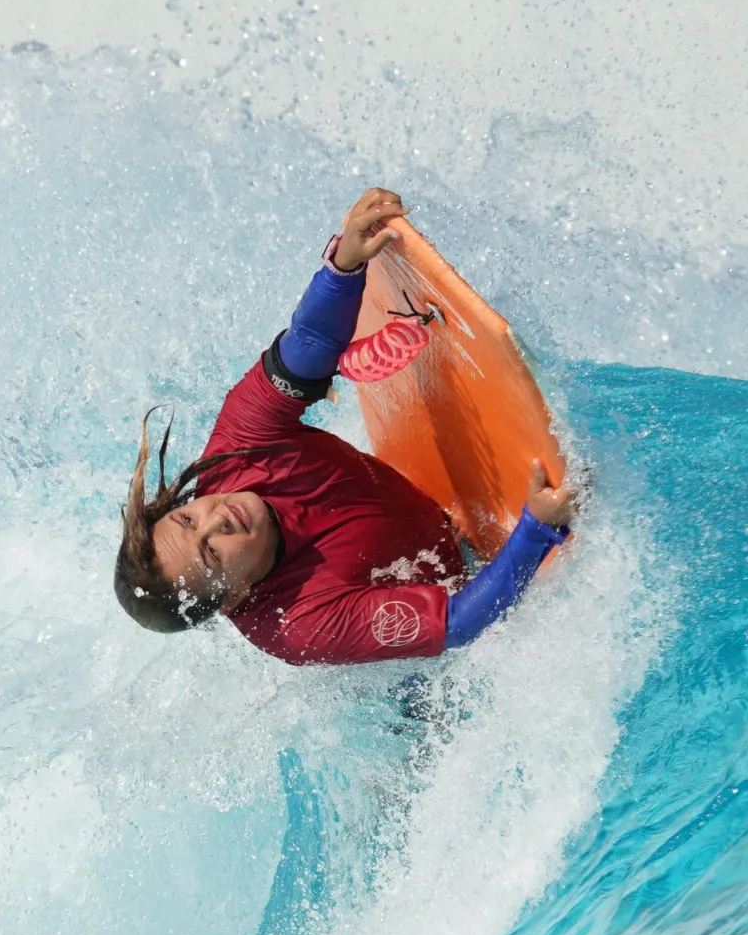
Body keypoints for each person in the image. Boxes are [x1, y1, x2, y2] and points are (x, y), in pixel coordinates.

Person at [113, 188, 575, 667]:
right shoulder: (302, 624)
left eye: (188, 519)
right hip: (440, 634)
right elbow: (459, 622)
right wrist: (539, 527)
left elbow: (308, 348)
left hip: (432, 513)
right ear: (233, 598)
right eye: (212, 554)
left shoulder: (238, 450)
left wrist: (344, 267)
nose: (216, 519)